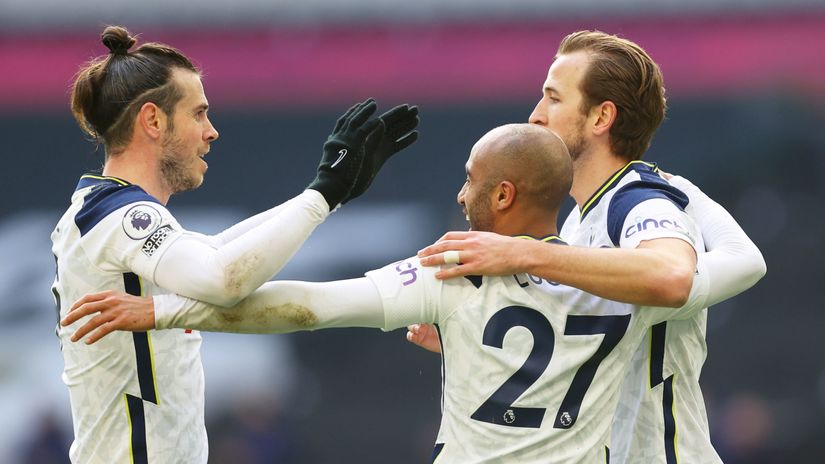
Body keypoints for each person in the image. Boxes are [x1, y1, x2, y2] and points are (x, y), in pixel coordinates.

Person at [62, 124, 763, 463]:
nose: (458, 194)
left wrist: (164, 308)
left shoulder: (452, 271)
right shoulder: (624, 286)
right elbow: (735, 263)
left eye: (468, 179)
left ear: (502, 193)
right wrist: (675, 192)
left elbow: (305, 306)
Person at [52, 25, 419, 463]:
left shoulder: (104, 209)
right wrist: (320, 196)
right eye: (198, 114)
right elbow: (223, 279)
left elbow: (215, 252)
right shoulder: (119, 214)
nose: (212, 132)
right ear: (152, 120)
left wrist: (327, 197)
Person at [413, 30, 766, 462]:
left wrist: (523, 252)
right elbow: (580, 344)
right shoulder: (581, 218)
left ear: (601, 118)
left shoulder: (636, 202)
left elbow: (673, 277)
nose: (536, 116)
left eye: (554, 99)